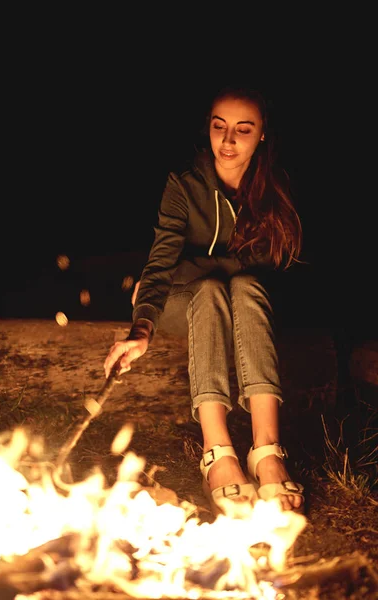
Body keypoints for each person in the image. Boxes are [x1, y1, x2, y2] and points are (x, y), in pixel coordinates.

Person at [104, 84, 305, 516]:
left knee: (244, 287)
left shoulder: (275, 188)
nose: (228, 141)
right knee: (215, 289)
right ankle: (219, 452)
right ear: (209, 128)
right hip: (186, 303)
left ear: (263, 134)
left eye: (243, 130)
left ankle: (267, 451)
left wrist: (199, 266)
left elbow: (268, 268)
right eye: (219, 127)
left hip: (245, 305)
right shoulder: (184, 184)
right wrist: (142, 327)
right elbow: (161, 261)